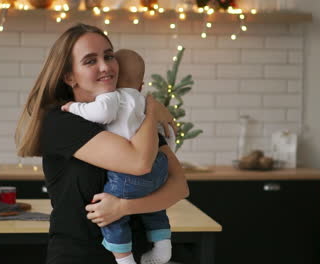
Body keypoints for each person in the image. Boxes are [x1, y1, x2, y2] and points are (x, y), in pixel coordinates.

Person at [15, 23, 189, 264]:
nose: (106, 66)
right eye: (90, 61)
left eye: (108, 56)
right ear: (69, 76)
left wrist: (123, 208)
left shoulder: (135, 120)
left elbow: (180, 187)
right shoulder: (62, 121)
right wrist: (151, 108)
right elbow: (139, 163)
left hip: (139, 257)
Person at [60, 49, 175, 264]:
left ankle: (124, 259)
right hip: (159, 165)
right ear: (140, 85)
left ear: (114, 79)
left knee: (110, 215)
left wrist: (74, 107)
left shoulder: (113, 96)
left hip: (128, 175)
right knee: (153, 205)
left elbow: (101, 113)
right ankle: (163, 245)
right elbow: (169, 136)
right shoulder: (145, 104)